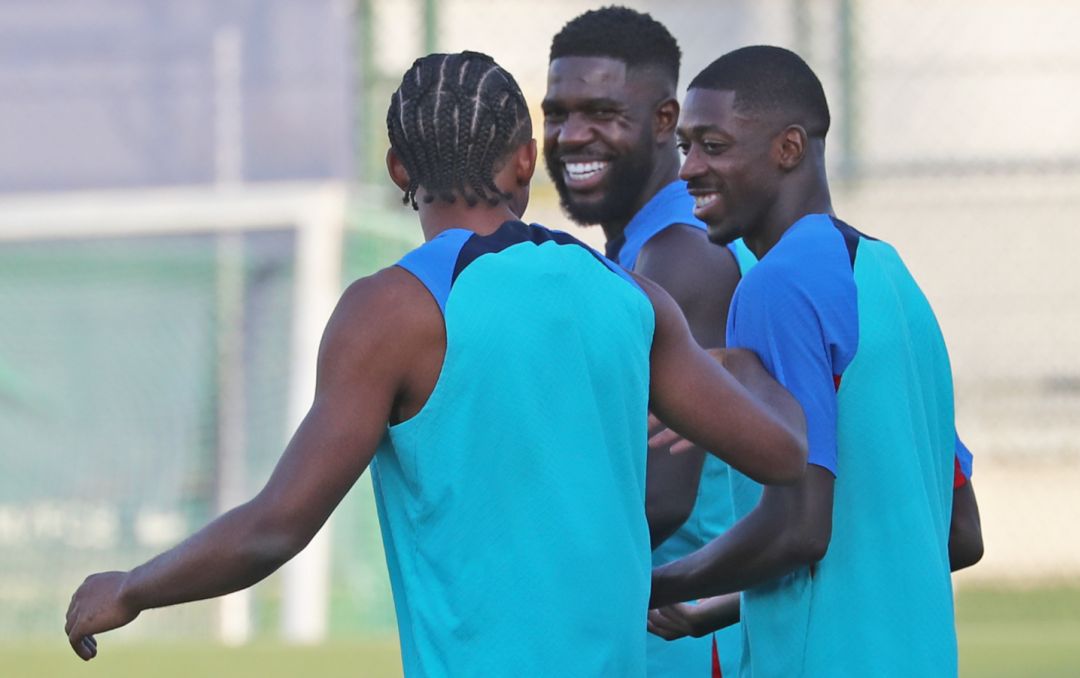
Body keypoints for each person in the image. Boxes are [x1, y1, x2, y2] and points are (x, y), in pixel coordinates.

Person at [63, 51, 810, 676]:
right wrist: (742, 366)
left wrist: (132, 587)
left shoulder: (392, 312)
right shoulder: (633, 299)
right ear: (525, 160)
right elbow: (781, 454)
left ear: (397, 169)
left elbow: (274, 529)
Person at [646, 46, 984, 676]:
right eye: (685, 146)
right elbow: (958, 533)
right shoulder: (892, 277)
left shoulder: (778, 285)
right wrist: (710, 612)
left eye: (713, 146)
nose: (688, 168)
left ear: (789, 148)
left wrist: (654, 583)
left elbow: (800, 529)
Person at [543, 8, 753, 675]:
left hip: (685, 645)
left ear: (666, 121)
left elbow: (659, 495)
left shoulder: (678, 257)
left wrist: (515, 573)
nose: (573, 136)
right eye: (557, 113)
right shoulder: (650, 248)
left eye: (602, 112)